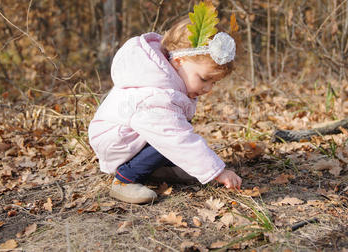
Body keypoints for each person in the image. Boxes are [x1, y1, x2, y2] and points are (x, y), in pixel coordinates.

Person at [88, 12, 242, 204]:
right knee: (170, 134)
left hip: (132, 137)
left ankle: (160, 169)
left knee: (173, 128)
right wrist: (217, 171)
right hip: (116, 141)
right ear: (178, 62)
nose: (208, 88)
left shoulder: (169, 81)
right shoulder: (156, 92)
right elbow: (175, 138)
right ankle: (125, 179)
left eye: (214, 83)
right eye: (204, 79)